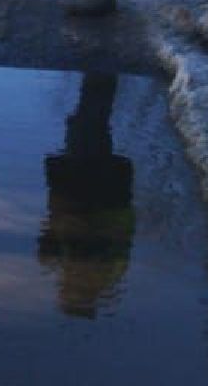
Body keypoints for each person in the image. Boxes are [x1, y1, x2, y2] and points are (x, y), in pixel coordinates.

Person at [35, 72, 136, 319]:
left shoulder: (98, 272)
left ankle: (100, 73)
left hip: (88, 187)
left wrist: (51, 250)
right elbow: (62, 233)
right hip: (93, 188)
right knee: (89, 125)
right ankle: (100, 72)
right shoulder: (101, 271)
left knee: (89, 124)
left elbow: (54, 235)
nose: (61, 288)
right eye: (65, 292)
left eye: (63, 291)